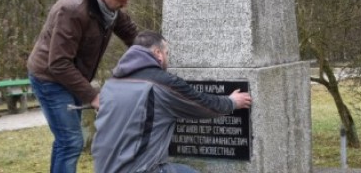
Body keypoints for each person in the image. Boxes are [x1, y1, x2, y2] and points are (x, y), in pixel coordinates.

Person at [27, 0, 139, 173]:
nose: (125, 5)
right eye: (121, 1)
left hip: (73, 77)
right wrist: (92, 96)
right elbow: (58, 63)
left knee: (66, 141)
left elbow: (129, 31)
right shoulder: (72, 10)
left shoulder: (108, 8)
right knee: (70, 142)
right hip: (50, 79)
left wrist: (151, 50)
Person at [92, 31, 252, 173]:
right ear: (158, 54)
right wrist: (231, 102)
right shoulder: (161, 83)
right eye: (167, 52)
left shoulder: (111, 83)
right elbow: (202, 104)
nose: (168, 58)